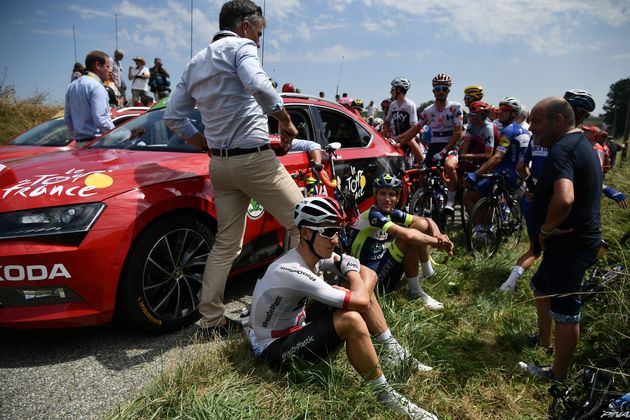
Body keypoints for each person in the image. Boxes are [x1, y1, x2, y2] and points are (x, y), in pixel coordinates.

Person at [164, 0, 303, 336]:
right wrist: (284, 120)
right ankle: (299, 302)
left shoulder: (195, 61)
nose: (258, 41)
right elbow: (257, 84)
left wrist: (205, 145)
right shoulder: (241, 47)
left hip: (220, 165)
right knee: (305, 223)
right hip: (254, 160)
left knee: (226, 243)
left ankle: (210, 320)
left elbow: (172, 117)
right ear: (244, 26)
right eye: (258, 33)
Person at [249, 196, 437, 420]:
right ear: (307, 233)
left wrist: (355, 283)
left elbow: (370, 273)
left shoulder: (313, 254)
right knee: (352, 317)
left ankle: (393, 350)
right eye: (329, 231)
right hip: (274, 350)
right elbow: (361, 297)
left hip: (295, 325)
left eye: (337, 231)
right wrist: (354, 280)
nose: (335, 239)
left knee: (350, 289)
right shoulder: (292, 270)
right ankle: (386, 395)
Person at [519, 97, 601, 382]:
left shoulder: (562, 149)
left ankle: (558, 375)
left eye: (537, 121)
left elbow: (565, 198)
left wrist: (546, 230)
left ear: (558, 121)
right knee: (541, 285)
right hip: (571, 241)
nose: (530, 127)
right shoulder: (580, 145)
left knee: (566, 311)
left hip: (570, 244)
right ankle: (544, 342)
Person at [350, 174, 453, 310]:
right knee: (408, 239)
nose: (387, 199)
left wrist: (437, 234)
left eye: (392, 194)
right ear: (375, 196)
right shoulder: (373, 214)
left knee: (420, 227)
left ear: (398, 198)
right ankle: (416, 291)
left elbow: (424, 220)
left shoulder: (390, 212)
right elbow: (408, 236)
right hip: (369, 280)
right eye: (382, 194)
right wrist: (438, 242)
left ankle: (429, 273)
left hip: (380, 266)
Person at [396, 74, 464, 211]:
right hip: (434, 147)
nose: (441, 91)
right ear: (433, 91)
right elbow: (415, 130)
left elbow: (458, 133)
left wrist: (444, 151)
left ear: (448, 91)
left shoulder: (455, 107)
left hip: (450, 146)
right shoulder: (428, 111)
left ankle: (450, 202)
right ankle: (420, 210)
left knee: (449, 166)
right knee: (423, 177)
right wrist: (399, 144)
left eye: (444, 89)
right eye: (438, 88)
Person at [463, 97, 530, 214]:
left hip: (506, 174)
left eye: (505, 109)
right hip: (520, 175)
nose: (500, 111)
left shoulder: (508, 131)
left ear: (514, 113)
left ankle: (483, 229)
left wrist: (477, 174)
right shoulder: (524, 131)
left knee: (470, 196)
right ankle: (503, 211)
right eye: (500, 108)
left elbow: (497, 157)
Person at [64, 50, 115, 144]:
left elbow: (67, 119)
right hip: (97, 145)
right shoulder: (97, 87)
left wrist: (79, 134)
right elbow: (101, 120)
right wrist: (118, 134)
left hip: (79, 144)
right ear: (98, 66)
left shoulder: (72, 86)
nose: (110, 70)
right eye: (107, 66)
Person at [383, 77, 424, 164]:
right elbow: (386, 122)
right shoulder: (392, 105)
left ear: (399, 90)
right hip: (395, 137)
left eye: (392, 89)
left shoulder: (410, 105)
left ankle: (423, 162)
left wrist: (398, 137)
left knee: (410, 140)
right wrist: (387, 129)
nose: (390, 91)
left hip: (408, 137)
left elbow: (414, 128)